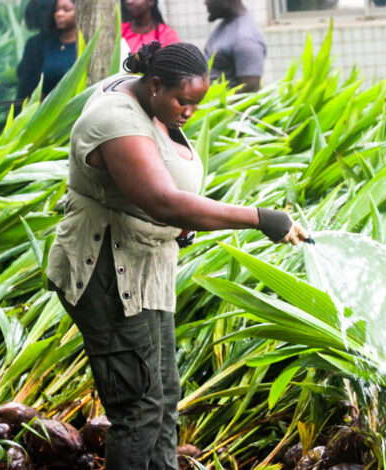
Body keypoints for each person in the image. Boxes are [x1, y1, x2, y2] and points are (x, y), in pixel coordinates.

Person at [45, 41, 309, 469]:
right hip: (107, 271)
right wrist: (260, 218)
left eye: (196, 104)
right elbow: (162, 200)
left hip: (143, 269)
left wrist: (179, 224)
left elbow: (151, 192)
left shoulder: (149, 101)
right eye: (182, 101)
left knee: (164, 398)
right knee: (139, 408)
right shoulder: (114, 118)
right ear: (153, 85)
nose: (189, 112)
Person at [16, 0, 77, 101]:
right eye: (56, 10)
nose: (59, 14)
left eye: (66, 10)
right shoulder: (46, 45)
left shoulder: (77, 44)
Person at [204, 0, 266, 92]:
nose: (206, 2)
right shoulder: (228, 24)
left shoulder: (245, 37)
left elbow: (250, 89)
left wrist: (221, 106)